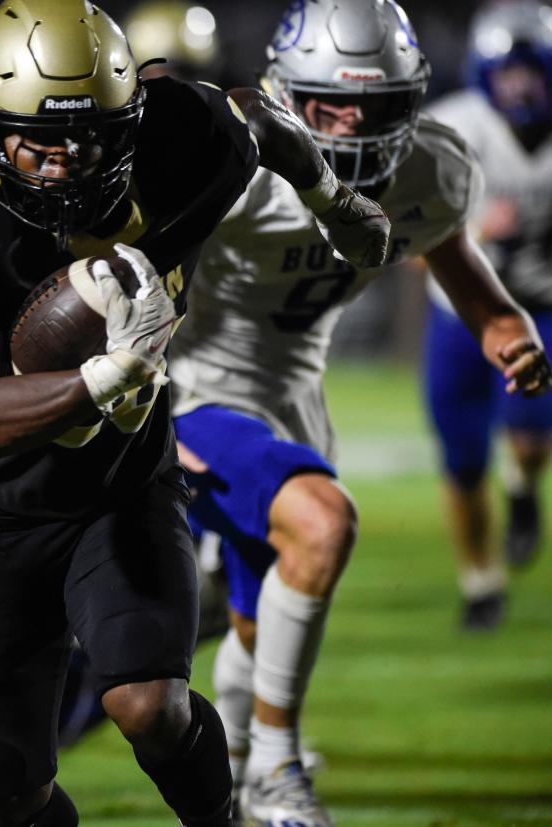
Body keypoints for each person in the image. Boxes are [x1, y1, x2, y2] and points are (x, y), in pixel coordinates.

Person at [0, 1, 390, 824]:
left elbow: (255, 116)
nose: (64, 160)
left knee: (150, 703)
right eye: (36, 137)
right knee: (3, 780)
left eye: (89, 135)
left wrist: (332, 200)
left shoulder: (179, 136)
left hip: (122, 488)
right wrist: (111, 373)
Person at [167, 0, 552, 824]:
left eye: (370, 107)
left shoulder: (430, 169)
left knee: (256, 613)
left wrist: (501, 324)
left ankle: (233, 763)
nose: (347, 124)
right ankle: (274, 767)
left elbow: (452, 256)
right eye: (325, 104)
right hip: (190, 392)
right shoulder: (229, 166)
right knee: (319, 530)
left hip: (294, 401)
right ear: (285, 94)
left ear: (408, 101)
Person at [422, 0, 552, 627]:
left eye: (533, 71)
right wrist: (468, 234)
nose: (521, 86)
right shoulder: (451, 128)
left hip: (542, 308)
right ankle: (480, 579)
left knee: (529, 434)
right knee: (463, 460)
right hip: (460, 313)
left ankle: (524, 491)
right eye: (509, 72)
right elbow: (405, 240)